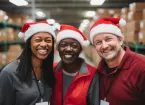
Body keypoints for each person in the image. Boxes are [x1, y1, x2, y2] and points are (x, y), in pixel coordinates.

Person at [89, 17, 145, 105]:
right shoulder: (99, 70)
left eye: (108, 39)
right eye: (98, 42)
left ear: (120, 40)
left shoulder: (141, 67)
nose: (104, 46)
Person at [0, 21, 56, 105]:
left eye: (48, 40)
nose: (44, 44)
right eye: (38, 40)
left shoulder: (49, 70)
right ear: (29, 44)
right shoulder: (9, 73)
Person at [51, 24, 97, 105]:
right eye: (63, 45)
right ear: (58, 49)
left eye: (74, 45)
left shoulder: (93, 74)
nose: (68, 49)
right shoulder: (51, 70)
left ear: (80, 49)